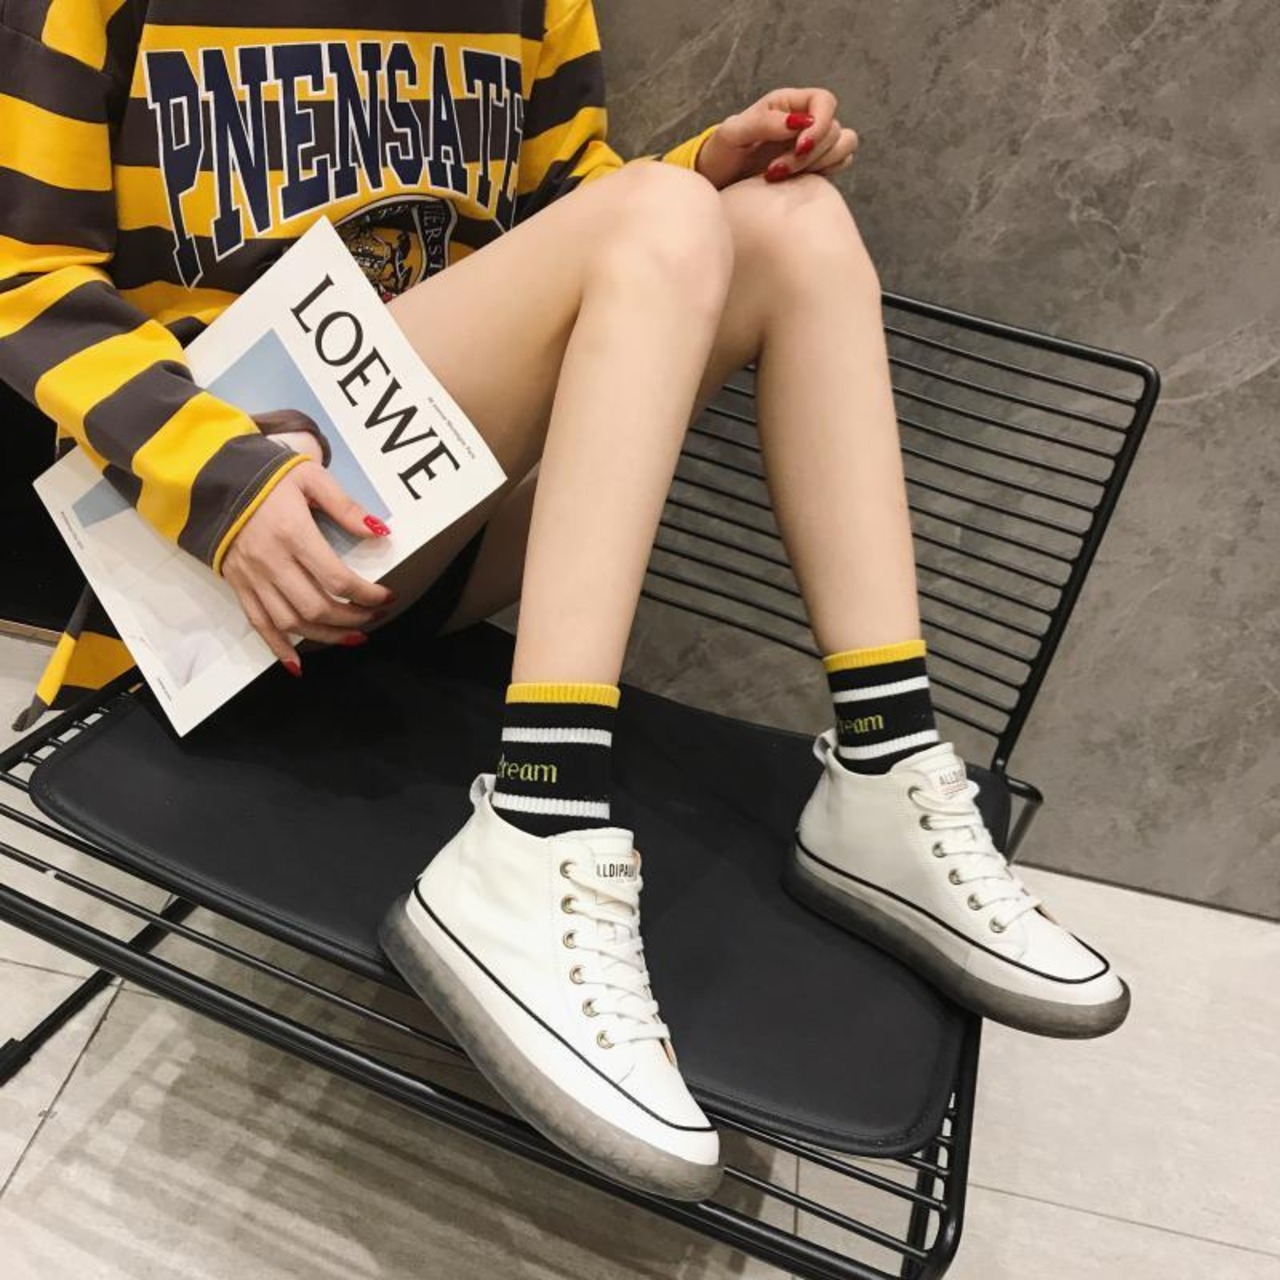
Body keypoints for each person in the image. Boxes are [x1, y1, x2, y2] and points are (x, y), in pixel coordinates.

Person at [0, 0, 1128, 1203]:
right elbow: (22, 272)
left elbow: (567, 221)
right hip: (216, 558)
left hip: (426, 538)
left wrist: (703, 167)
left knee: (790, 220)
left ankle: (883, 762)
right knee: (660, 213)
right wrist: (220, 474)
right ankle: (534, 826)